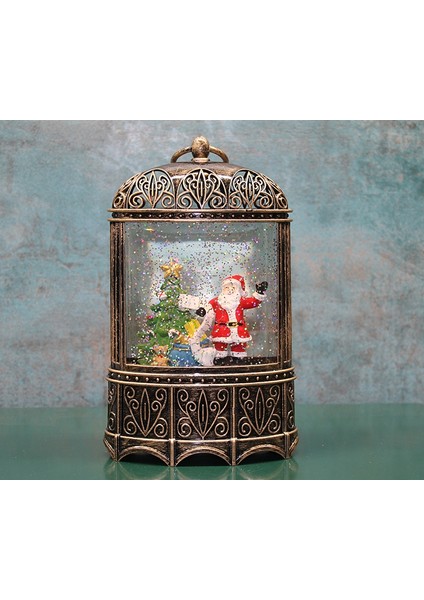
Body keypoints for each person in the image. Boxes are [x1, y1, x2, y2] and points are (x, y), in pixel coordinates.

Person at [189, 275, 268, 366]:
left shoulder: (241, 301)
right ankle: (219, 360)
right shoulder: (217, 301)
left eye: (233, 288)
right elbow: (208, 307)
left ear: (238, 290)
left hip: (238, 330)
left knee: (238, 347)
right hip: (221, 330)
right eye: (227, 287)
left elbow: (253, 302)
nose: (230, 290)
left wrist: (259, 292)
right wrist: (203, 310)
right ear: (223, 289)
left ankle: (238, 360)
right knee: (219, 348)